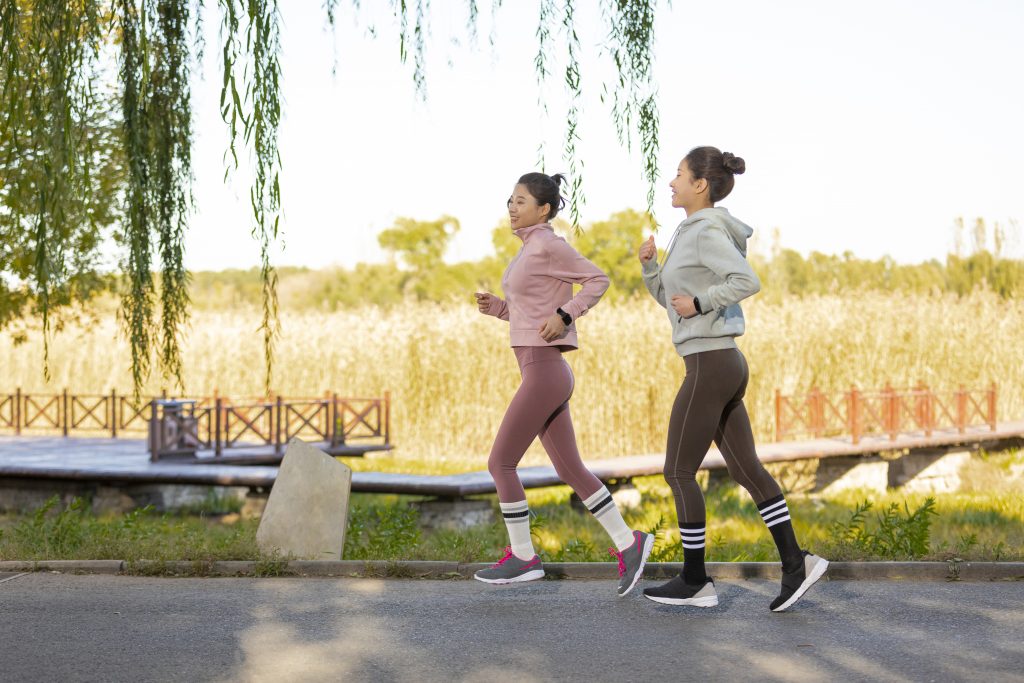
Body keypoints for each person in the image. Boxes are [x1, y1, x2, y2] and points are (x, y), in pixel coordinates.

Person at [638, 147, 828, 611]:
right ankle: (796, 564)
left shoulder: (705, 231)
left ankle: (695, 580)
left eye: (678, 175)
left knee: (678, 472)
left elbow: (746, 280)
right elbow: (671, 299)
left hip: (711, 363)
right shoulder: (688, 232)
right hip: (716, 361)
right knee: (746, 470)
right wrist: (650, 266)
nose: (671, 182)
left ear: (700, 184)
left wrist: (702, 304)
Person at [473, 172, 653, 596]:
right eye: (509, 200)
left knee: (500, 463)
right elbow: (530, 310)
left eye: (520, 201)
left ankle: (524, 558)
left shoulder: (549, 244)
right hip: (539, 368)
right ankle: (630, 544)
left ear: (543, 209)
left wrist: (567, 314)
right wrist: (500, 308)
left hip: (545, 370)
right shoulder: (528, 250)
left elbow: (598, 280)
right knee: (569, 468)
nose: (511, 207)